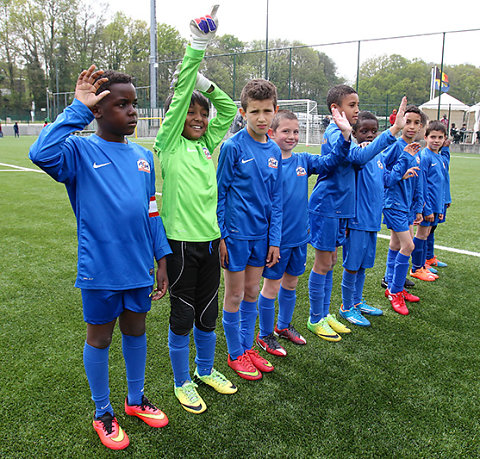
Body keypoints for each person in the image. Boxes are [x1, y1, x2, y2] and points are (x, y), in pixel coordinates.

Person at [29, 66, 171, 450]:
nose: (132, 111)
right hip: (100, 271)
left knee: (137, 331)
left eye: (134, 104)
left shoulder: (143, 157)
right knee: (100, 337)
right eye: (121, 104)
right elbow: (39, 152)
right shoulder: (78, 150)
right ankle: (102, 412)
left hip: (139, 267)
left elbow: (152, 210)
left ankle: (136, 399)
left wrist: (161, 257)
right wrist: (77, 109)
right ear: (98, 110)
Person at [153, 6, 238, 414]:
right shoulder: (168, 142)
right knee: (183, 314)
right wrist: (197, 49)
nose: (201, 118)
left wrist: (207, 83)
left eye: (203, 115)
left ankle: (205, 369)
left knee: (207, 313)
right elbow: (182, 93)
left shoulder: (207, 146)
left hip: (208, 241)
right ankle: (182, 380)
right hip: (180, 245)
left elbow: (228, 108)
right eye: (192, 111)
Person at [306, 85, 407, 342]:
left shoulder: (345, 133)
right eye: (352, 105)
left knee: (330, 262)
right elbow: (359, 156)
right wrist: (393, 131)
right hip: (327, 207)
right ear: (335, 109)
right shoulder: (333, 132)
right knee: (322, 263)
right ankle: (315, 318)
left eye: (357, 105)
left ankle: (326, 314)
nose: (357, 110)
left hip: (341, 209)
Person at [256, 109, 351, 356]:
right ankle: (265, 334)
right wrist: (271, 239)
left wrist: (345, 136)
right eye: (285, 131)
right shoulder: (267, 164)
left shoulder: (303, 161)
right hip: (277, 241)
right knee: (271, 287)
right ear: (271, 133)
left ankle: (283, 326)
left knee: (291, 283)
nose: (292, 136)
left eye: (295, 131)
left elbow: (331, 161)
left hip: (299, 237)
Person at [217, 78, 282, 381]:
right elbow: (219, 194)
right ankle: (234, 353)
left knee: (252, 292)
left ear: (275, 111)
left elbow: (277, 200)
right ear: (242, 112)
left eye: (266, 111)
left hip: (261, 237)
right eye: (254, 111)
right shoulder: (232, 147)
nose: (260, 118)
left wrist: (275, 239)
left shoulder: (275, 152)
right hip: (236, 236)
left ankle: (246, 346)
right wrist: (222, 237)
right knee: (234, 294)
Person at [340, 111, 420, 326]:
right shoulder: (357, 155)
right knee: (352, 265)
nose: (369, 135)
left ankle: (357, 302)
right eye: (364, 131)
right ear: (354, 133)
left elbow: (388, 180)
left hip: (372, 221)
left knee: (364, 265)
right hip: (357, 222)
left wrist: (404, 159)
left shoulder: (377, 158)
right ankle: (346, 306)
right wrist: (393, 132)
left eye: (373, 131)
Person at [382, 105, 426, 315]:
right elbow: (386, 179)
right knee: (408, 246)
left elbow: (418, 182)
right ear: (400, 123)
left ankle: (390, 283)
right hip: (394, 204)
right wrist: (402, 169)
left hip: (407, 207)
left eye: (416, 123)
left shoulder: (416, 149)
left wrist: (418, 208)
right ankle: (395, 291)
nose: (412, 126)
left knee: (396, 243)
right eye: (408, 121)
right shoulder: (395, 147)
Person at [410, 121, 448, 281]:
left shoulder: (438, 156)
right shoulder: (424, 156)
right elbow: (422, 186)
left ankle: (423, 264)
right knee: (422, 234)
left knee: (426, 234)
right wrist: (427, 209)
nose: (436, 140)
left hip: (436, 204)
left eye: (440, 137)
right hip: (427, 206)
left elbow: (441, 183)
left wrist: (442, 203)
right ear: (425, 137)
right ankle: (417, 268)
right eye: (433, 137)